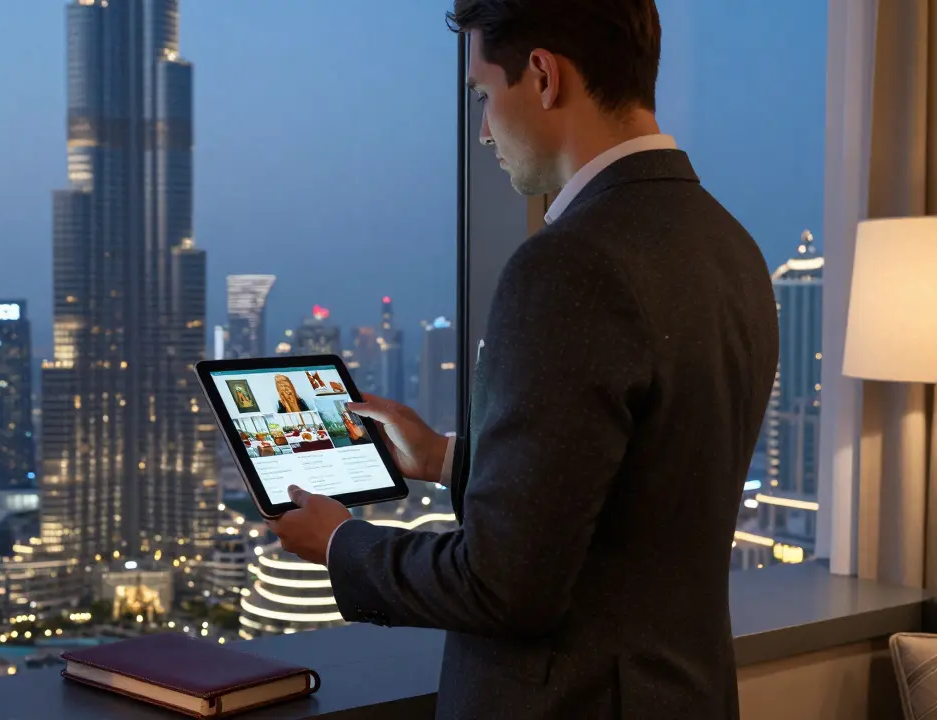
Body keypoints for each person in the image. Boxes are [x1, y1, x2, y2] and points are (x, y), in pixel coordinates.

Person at [265, 1, 779, 717]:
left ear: (542, 75)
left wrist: (341, 546)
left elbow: (504, 585)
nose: (481, 130)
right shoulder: (729, 244)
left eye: (482, 94)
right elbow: (640, 493)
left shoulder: (570, 265)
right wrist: (446, 458)